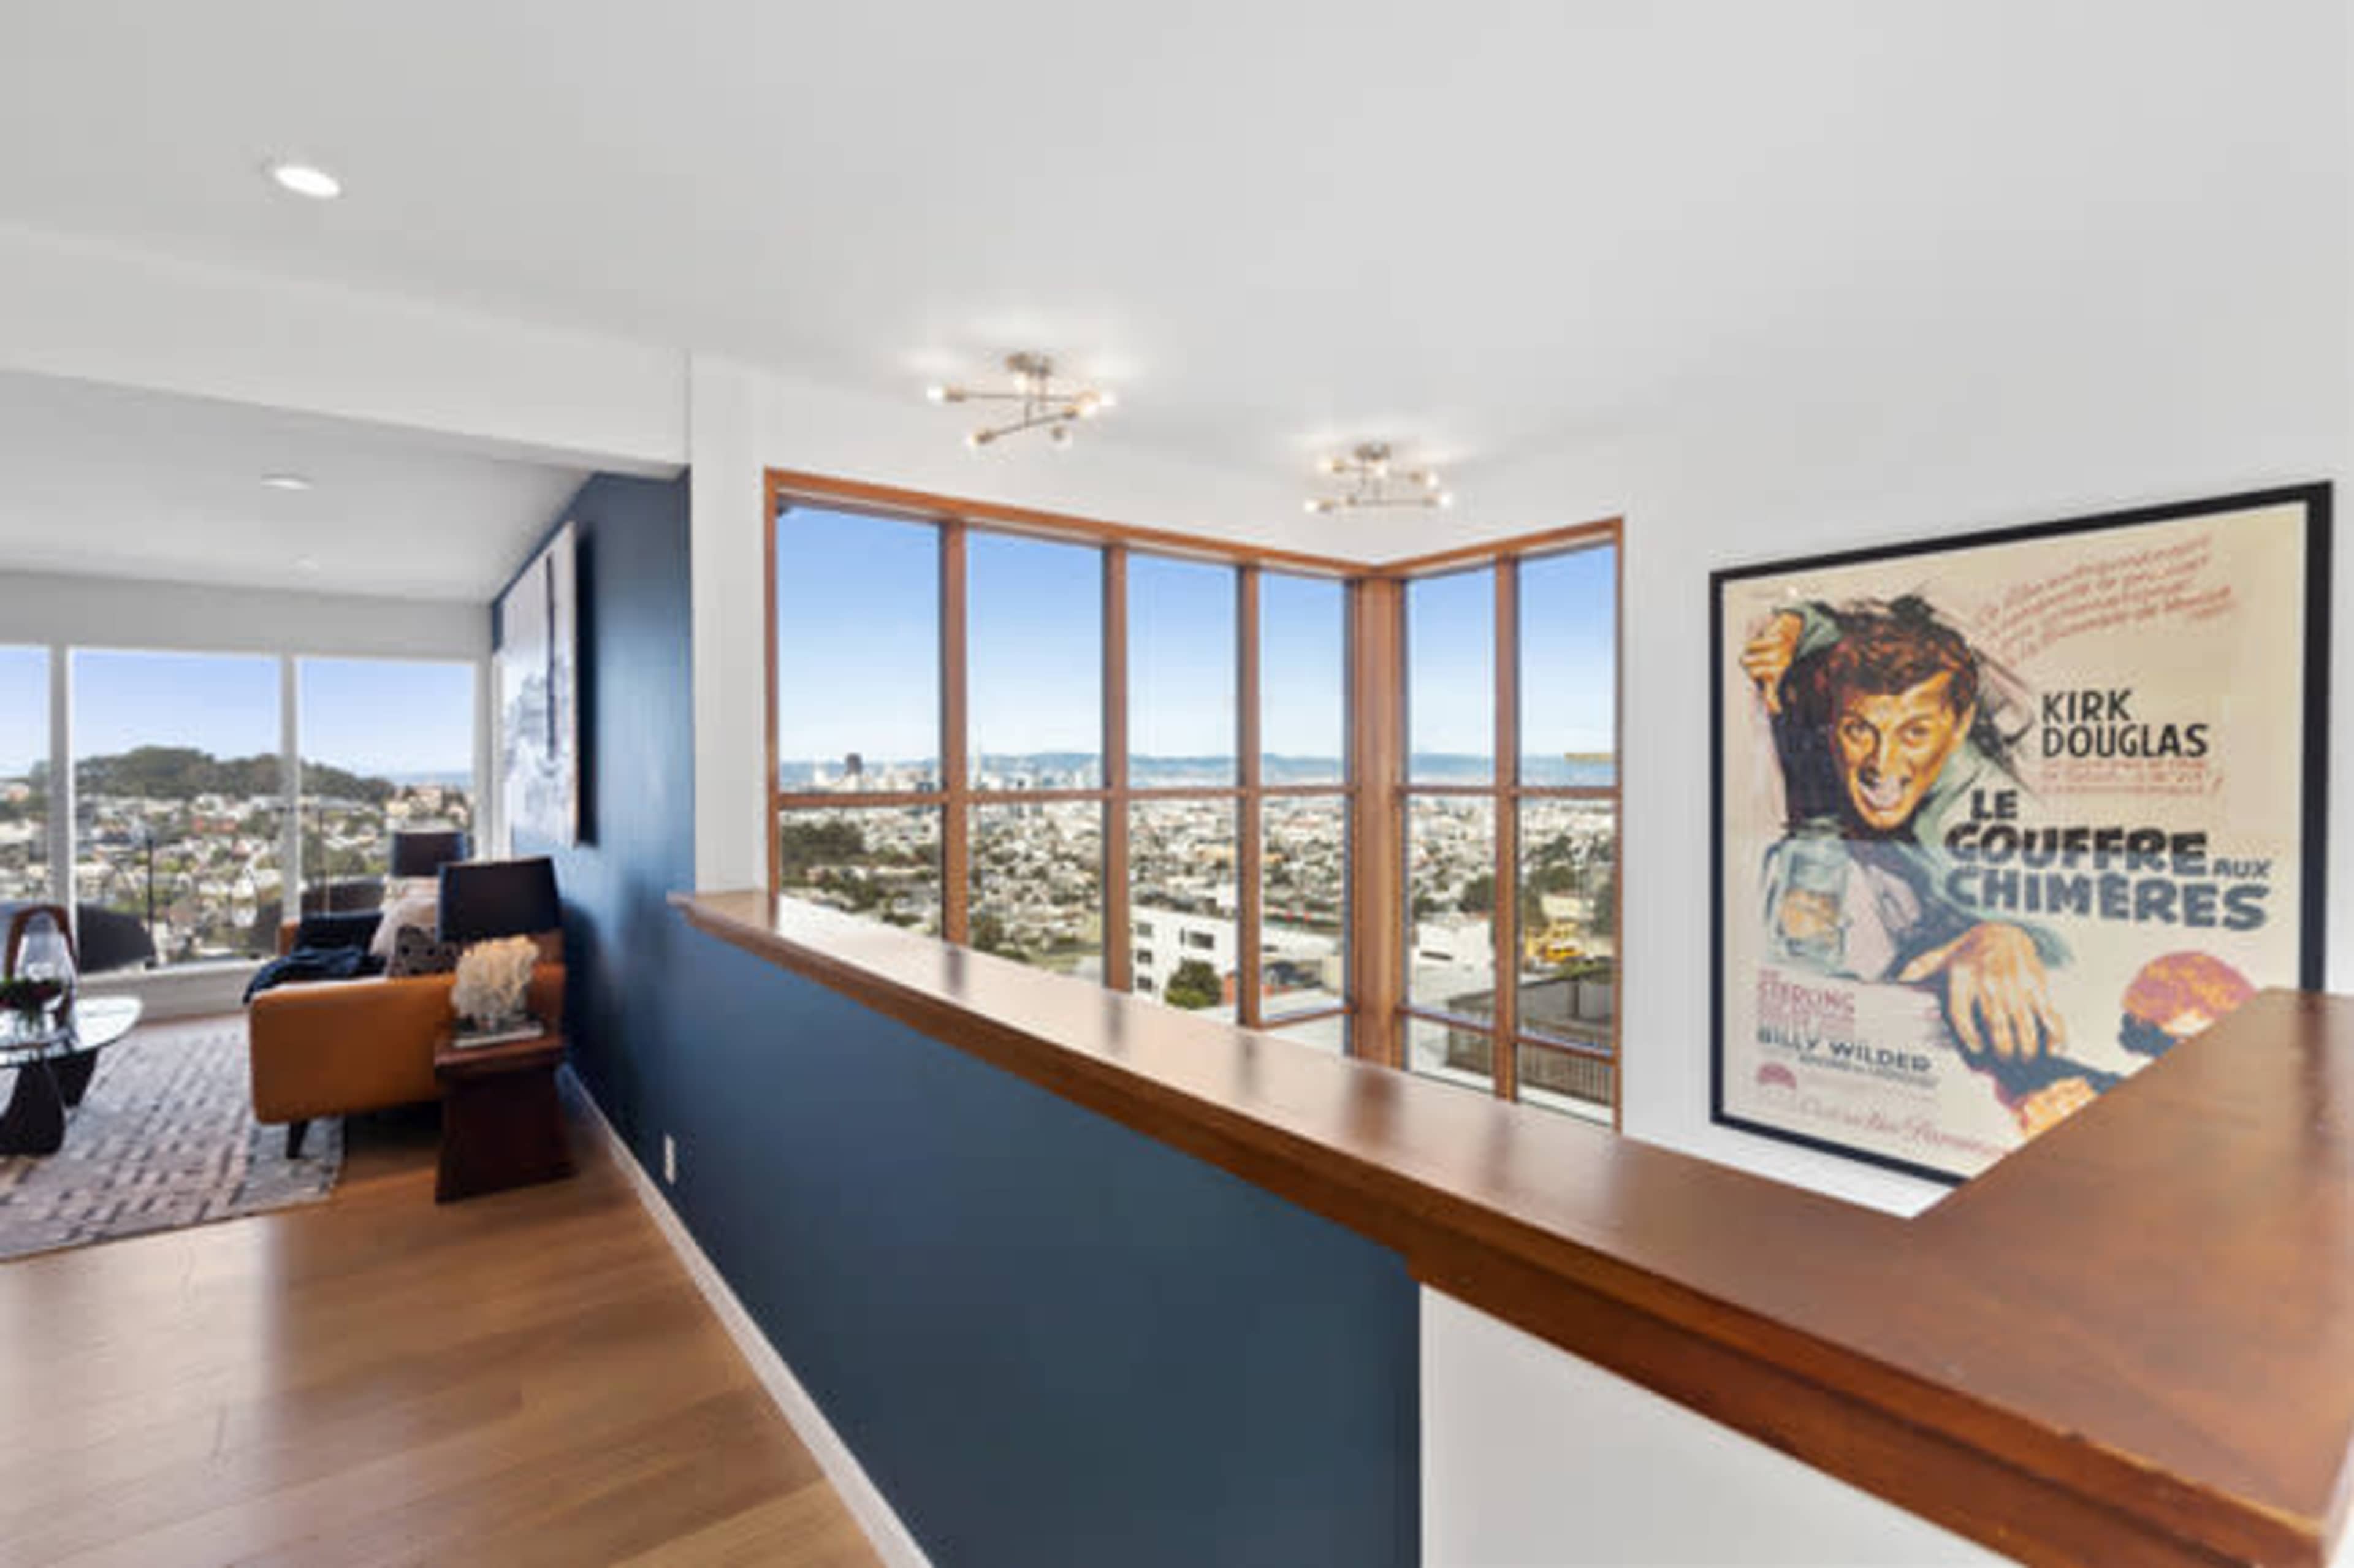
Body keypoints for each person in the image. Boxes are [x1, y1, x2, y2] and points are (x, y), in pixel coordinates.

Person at [1745, 597, 2066, 1062]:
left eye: (1914, 734)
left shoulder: (1968, 810)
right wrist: (1797, 624)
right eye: (1859, 730)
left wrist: (2008, 936)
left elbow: (2057, 925)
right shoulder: (1824, 781)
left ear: (1959, 727)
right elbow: (1829, 632)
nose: (1882, 763)